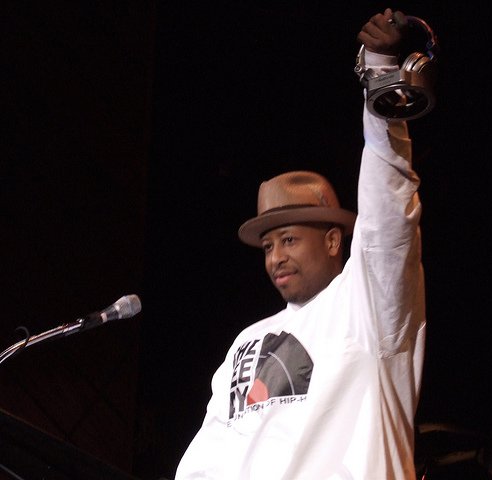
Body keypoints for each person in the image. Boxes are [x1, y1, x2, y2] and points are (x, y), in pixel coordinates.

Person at [175, 8, 427, 480]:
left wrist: (381, 79)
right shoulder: (246, 342)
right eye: (268, 247)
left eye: (289, 239)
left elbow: (387, 212)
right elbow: (208, 456)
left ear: (333, 241)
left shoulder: (368, 307)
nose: (276, 258)